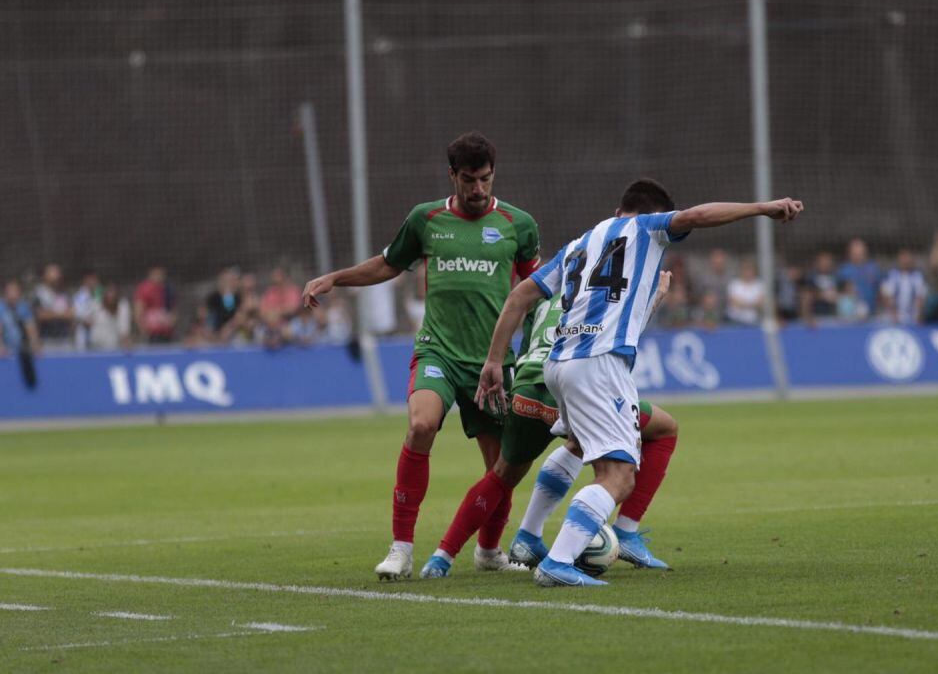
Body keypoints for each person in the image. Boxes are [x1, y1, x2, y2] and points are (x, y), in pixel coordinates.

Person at [476, 178, 802, 586]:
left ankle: (530, 535)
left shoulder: (580, 243)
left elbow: (521, 294)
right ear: (651, 214)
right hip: (598, 364)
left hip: (558, 364)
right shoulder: (647, 228)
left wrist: (494, 359)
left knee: (580, 446)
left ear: (617, 210)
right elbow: (698, 216)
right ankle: (558, 561)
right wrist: (762, 208)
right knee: (619, 477)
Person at [301, 132, 541, 580]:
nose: (478, 189)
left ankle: (489, 551)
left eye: (485, 179)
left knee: (502, 467)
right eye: (469, 180)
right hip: (438, 351)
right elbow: (389, 263)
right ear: (452, 176)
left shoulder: (518, 224)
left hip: (491, 362)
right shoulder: (425, 219)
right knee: (421, 425)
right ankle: (401, 549)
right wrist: (335, 278)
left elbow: (536, 290)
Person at [418, 273, 680, 579]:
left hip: (528, 388)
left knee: (505, 472)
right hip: (576, 384)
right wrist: (656, 296)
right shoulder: (600, 294)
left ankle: (443, 557)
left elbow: (528, 341)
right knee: (662, 430)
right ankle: (625, 533)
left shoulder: (542, 296)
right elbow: (622, 332)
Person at [0, 280, 41, 389]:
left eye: (16, 291)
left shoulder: (23, 307)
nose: (13, 294)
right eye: (10, 291)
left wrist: (35, 345)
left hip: (22, 348)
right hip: (7, 348)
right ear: (5, 293)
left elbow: (31, 328)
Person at [836, 238, 882, 316]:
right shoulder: (844, 270)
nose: (858, 255)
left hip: (872, 312)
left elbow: (880, 289)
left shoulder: (873, 268)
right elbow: (838, 291)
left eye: (860, 252)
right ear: (850, 253)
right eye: (855, 253)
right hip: (850, 313)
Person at [879, 249, 927, 325]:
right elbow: (887, 297)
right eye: (903, 258)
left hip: (912, 315)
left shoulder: (918, 276)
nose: (906, 261)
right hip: (894, 315)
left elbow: (920, 298)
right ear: (899, 259)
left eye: (908, 258)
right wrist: (894, 314)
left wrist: (918, 314)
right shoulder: (892, 275)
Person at [134, 266, 176, 343]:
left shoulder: (168, 289)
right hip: (151, 333)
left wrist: (172, 321)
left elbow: (173, 310)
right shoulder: (144, 289)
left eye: (161, 273)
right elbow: (138, 310)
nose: (159, 276)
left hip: (166, 332)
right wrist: (142, 327)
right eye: (157, 273)